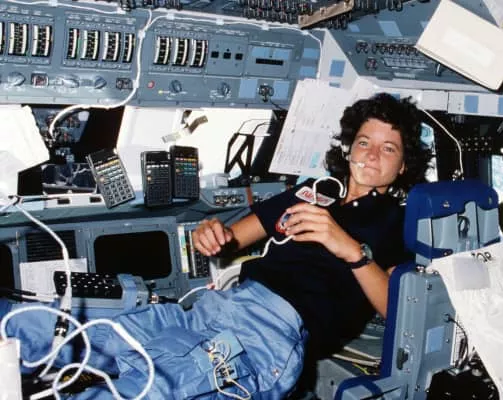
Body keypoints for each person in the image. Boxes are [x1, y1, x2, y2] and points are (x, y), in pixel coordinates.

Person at [1, 93, 431, 399]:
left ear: (403, 165)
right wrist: (212, 233)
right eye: (364, 142)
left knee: (144, 392)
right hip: (210, 311)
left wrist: (351, 249)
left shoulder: (398, 225)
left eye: (388, 148)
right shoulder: (310, 192)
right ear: (349, 149)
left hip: (267, 339)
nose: (371, 154)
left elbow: (397, 312)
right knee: (47, 327)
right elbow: (232, 238)